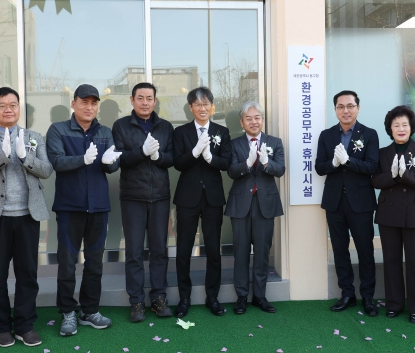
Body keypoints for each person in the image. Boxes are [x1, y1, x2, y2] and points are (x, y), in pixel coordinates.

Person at [0, 87, 53, 347]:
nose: (8, 109)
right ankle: (2, 326)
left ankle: (25, 325)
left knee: (28, 274)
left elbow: (46, 170)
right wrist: (1, 156)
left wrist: (26, 157)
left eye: (13, 104)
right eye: (2, 105)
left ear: (19, 108)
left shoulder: (34, 137)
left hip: (28, 215)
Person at [46, 84, 121, 337]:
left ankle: (90, 311)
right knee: (67, 263)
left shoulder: (105, 132)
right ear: (74, 103)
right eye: (84, 102)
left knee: (94, 263)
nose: (89, 107)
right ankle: (68, 311)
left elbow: (113, 166)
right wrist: (83, 160)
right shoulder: (58, 130)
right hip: (70, 207)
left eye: (94, 103)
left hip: (98, 206)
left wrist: (109, 163)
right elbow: (56, 161)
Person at [112, 83, 175, 323]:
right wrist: (142, 152)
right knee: (134, 251)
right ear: (132, 100)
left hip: (160, 196)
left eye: (149, 98)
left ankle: (158, 297)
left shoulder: (165, 127)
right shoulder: (121, 126)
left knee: (159, 250)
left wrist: (158, 156)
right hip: (133, 197)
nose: (145, 102)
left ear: (155, 101)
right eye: (140, 98)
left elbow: (172, 158)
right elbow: (119, 159)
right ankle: (136, 301)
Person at [316, 90, 380, 316]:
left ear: (358, 108)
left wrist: (349, 161)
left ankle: (368, 297)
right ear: (335, 110)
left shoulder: (369, 134)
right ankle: (347, 294)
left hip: (361, 202)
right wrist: (334, 163)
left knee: (365, 250)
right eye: (341, 106)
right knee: (340, 250)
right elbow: (319, 167)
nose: (346, 110)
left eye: (350, 106)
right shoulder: (326, 135)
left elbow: (372, 166)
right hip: (334, 202)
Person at [172, 87, 232, 318]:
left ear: (212, 106)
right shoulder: (181, 132)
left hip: (213, 198)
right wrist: (195, 152)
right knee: (183, 250)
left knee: (213, 250)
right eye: (197, 104)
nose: (202, 108)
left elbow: (226, 163)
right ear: (191, 108)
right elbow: (178, 163)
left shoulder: (221, 132)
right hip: (187, 198)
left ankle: (212, 297)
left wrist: (210, 158)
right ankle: (184, 298)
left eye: (206, 103)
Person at [372, 106, 415, 323]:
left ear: (411, 127)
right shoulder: (382, 153)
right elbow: (375, 180)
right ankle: (394, 304)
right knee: (391, 260)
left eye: (405, 125)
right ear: (390, 129)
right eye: (396, 125)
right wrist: (392, 176)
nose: (401, 129)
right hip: (389, 212)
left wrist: (406, 175)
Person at [226, 101, 285, 314]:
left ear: (263, 120)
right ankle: (242, 296)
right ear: (242, 122)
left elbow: (280, 169)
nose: (253, 122)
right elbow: (231, 171)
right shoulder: (234, 144)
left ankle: (260, 296)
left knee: (262, 252)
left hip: (265, 204)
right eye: (248, 118)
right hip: (241, 204)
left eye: (257, 117)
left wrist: (266, 163)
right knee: (240, 252)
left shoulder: (275, 142)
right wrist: (247, 164)